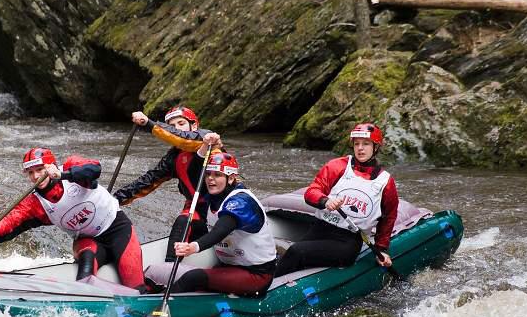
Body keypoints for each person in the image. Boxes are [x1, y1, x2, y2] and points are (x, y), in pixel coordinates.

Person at [0, 147, 147, 292]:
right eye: (30, 172)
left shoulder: (71, 167)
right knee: (85, 272)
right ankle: (86, 301)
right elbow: (10, 222)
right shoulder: (34, 203)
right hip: (87, 240)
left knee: (135, 286)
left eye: (40, 169)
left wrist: (64, 175)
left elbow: (94, 169)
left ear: (51, 166)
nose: (36, 176)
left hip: (117, 228)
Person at [274, 123, 399, 277]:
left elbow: (389, 218)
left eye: (366, 144)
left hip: (347, 242)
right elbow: (311, 192)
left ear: (376, 147)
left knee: (296, 251)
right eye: (357, 143)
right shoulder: (337, 166)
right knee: (289, 255)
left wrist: (381, 249)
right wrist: (324, 201)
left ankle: (266, 289)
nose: (360, 148)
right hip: (320, 229)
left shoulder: (386, 182)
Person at [171, 142, 278, 297]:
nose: (210, 179)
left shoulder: (241, 202)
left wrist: (193, 247)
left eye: (217, 175)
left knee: (193, 278)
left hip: (257, 274)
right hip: (229, 266)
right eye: (208, 174)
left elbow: (221, 230)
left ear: (231, 178)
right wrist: (204, 147)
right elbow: (192, 174)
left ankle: (159, 309)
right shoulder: (212, 195)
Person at [113, 105, 217, 262]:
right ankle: (168, 269)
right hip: (197, 212)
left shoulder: (207, 138)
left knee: (186, 219)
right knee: (183, 219)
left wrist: (149, 123)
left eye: (181, 123)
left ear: (194, 125)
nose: (176, 129)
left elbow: (182, 138)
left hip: (221, 207)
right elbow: (147, 181)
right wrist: (112, 200)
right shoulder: (173, 158)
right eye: (172, 126)